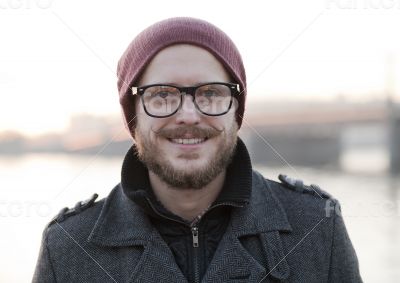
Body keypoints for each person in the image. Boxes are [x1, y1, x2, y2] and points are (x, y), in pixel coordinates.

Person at [33, 17, 362, 282]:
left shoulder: (318, 226)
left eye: (210, 93)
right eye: (161, 95)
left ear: (236, 109)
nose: (188, 115)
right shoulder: (67, 247)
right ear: (132, 115)